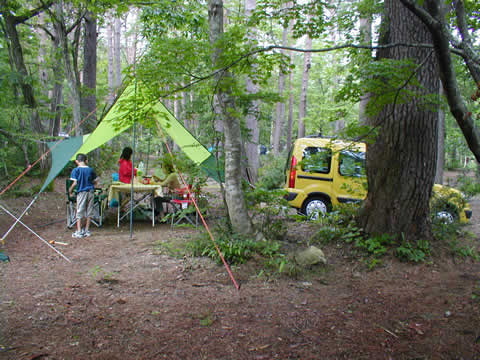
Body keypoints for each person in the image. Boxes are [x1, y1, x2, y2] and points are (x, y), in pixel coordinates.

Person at [69, 153, 99, 238]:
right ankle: (87, 230)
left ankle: (79, 231)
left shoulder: (76, 170)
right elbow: (96, 181)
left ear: (76, 161)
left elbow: (75, 183)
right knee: (89, 211)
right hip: (91, 192)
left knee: (80, 211)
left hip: (82, 192)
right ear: (86, 161)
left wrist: (70, 191)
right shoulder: (91, 170)